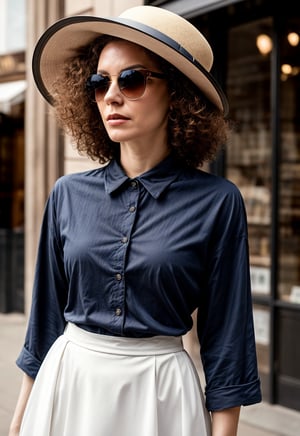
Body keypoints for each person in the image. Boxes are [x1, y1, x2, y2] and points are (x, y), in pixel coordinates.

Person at [9, 5, 262, 436]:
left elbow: (228, 345)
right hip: (70, 388)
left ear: (177, 93)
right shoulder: (67, 194)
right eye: (99, 82)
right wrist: (17, 424)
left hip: (161, 398)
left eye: (132, 79)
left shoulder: (217, 202)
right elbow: (45, 324)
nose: (111, 95)